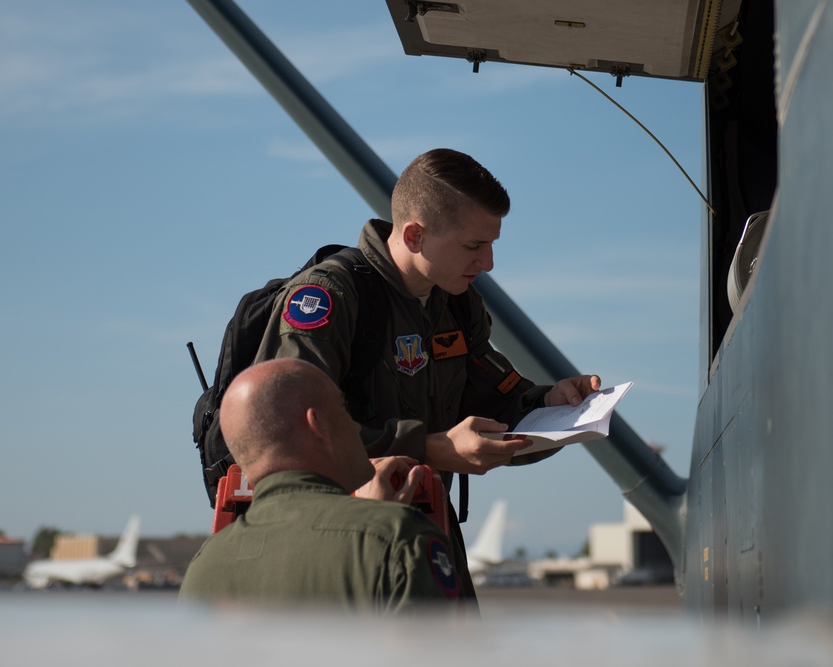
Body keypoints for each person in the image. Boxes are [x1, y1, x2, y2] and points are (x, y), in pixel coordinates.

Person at [255, 148, 601, 601]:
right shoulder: (328, 299)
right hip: (338, 548)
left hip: (425, 534)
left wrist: (547, 404)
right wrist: (430, 449)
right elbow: (288, 433)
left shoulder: (455, 303)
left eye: (492, 244)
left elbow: (491, 395)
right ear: (416, 234)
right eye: (474, 245)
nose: (489, 262)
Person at [179, 358, 461, 612]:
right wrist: (376, 528)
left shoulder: (204, 567)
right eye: (342, 409)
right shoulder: (399, 539)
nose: (355, 427)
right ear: (318, 425)